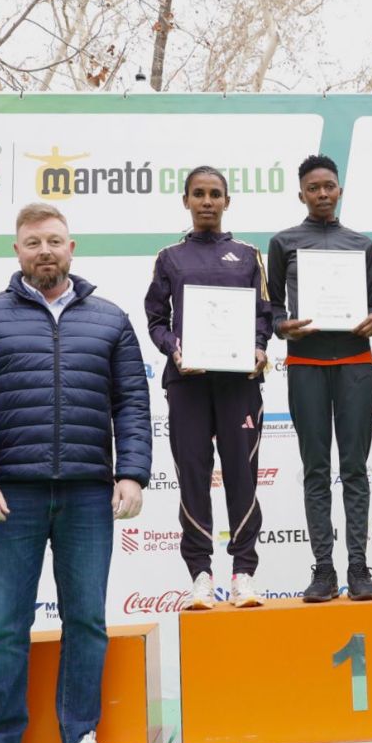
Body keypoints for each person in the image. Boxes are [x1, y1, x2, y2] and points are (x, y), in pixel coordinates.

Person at [0, 203, 152, 743]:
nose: (45, 250)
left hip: (89, 491)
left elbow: (132, 405)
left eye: (55, 241)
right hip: (10, 493)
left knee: (86, 620)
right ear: (17, 250)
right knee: (6, 624)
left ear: (72, 247)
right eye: (33, 241)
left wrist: (133, 473)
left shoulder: (110, 319)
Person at [144, 166, 273, 610]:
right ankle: (200, 574)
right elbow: (157, 321)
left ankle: (243, 574)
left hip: (239, 385)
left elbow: (265, 315)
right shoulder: (170, 257)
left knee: (243, 476)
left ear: (226, 202)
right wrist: (174, 349)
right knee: (193, 478)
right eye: (198, 194)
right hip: (188, 383)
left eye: (215, 194)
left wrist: (258, 347)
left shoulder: (248, 254)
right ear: (185, 201)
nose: (206, 201)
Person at [267, 154, 372, 602]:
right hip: (305, 366)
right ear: (301, 193)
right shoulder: (283, 243)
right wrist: (281, 327)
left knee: (354, 468)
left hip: (355, 362)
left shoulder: (362, 244)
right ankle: (322, 571)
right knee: (316, 469)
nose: (321, 194)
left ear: (339, 191)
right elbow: (274, 307)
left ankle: (358, 569)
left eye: (328, 186)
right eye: (313, 187)